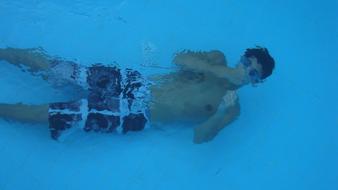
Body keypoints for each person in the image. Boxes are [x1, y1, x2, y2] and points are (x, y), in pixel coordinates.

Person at [0, 46, 275, 143]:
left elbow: (200, 137)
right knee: (56, 69)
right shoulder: (216, 58)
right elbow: (179, 58)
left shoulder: (232, 109)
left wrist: (222, 114)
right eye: (247, 62)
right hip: (134, 83)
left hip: (137, 115)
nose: (245, 70)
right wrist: (220, 73)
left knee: (51, 114)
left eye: (253, 74)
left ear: (256, 83)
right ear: (241, 57)